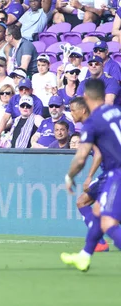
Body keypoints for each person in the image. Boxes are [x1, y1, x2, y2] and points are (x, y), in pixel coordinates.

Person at [61, 80, 121, 272]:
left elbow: (80, 158)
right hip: (114, 172)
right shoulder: (117, 111)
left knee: (108, 222)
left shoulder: (93, 122)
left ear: (86, 98)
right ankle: (85, 256)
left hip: (117, 172)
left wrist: (70, 177)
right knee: (96, 211)